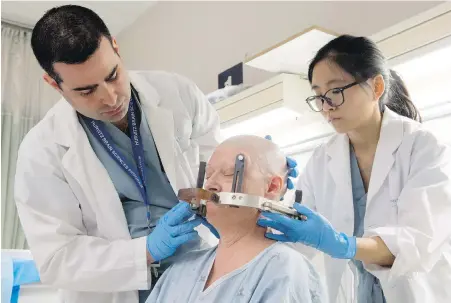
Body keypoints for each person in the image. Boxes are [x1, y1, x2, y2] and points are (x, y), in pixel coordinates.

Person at [13, 5, 298, 303]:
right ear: (53, 84)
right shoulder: (41, 153)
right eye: (86, 91)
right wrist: (147, 250)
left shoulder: (179, 94)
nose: (110, 98)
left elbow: (216, 170)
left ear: (115, 48)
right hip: (115, 289)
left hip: (197, 271)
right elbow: (57, 259)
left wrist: (261, 171)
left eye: (113, 75)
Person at [258, 35, 451, 303]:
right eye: (318, 96)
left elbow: (417, 243)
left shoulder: (424, 148)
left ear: (376, 86)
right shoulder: (322, 160)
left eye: (335, 91)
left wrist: (341, 244)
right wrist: (265, 194)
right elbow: (296, 236)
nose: (326, 106)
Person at [146, 135, 326, 303]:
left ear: (271, 187)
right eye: (208, 174)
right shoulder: (181, 269)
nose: (210, 185)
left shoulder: (285, 270)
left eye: (230, 173)